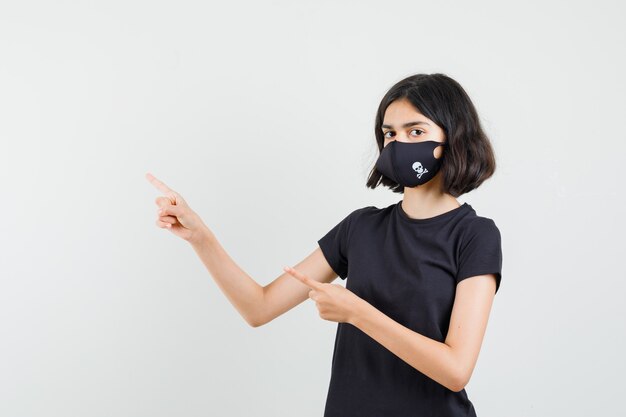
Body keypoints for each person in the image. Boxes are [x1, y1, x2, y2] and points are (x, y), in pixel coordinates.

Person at [146, 72, 503, 416]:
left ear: (452, 138)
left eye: (416, 131)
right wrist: (200, 236)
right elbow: (258, 307)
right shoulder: (360, 228)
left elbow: (456, 369)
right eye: (390, 134)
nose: (399, 144)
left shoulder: (475, 236)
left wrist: (355, 312)